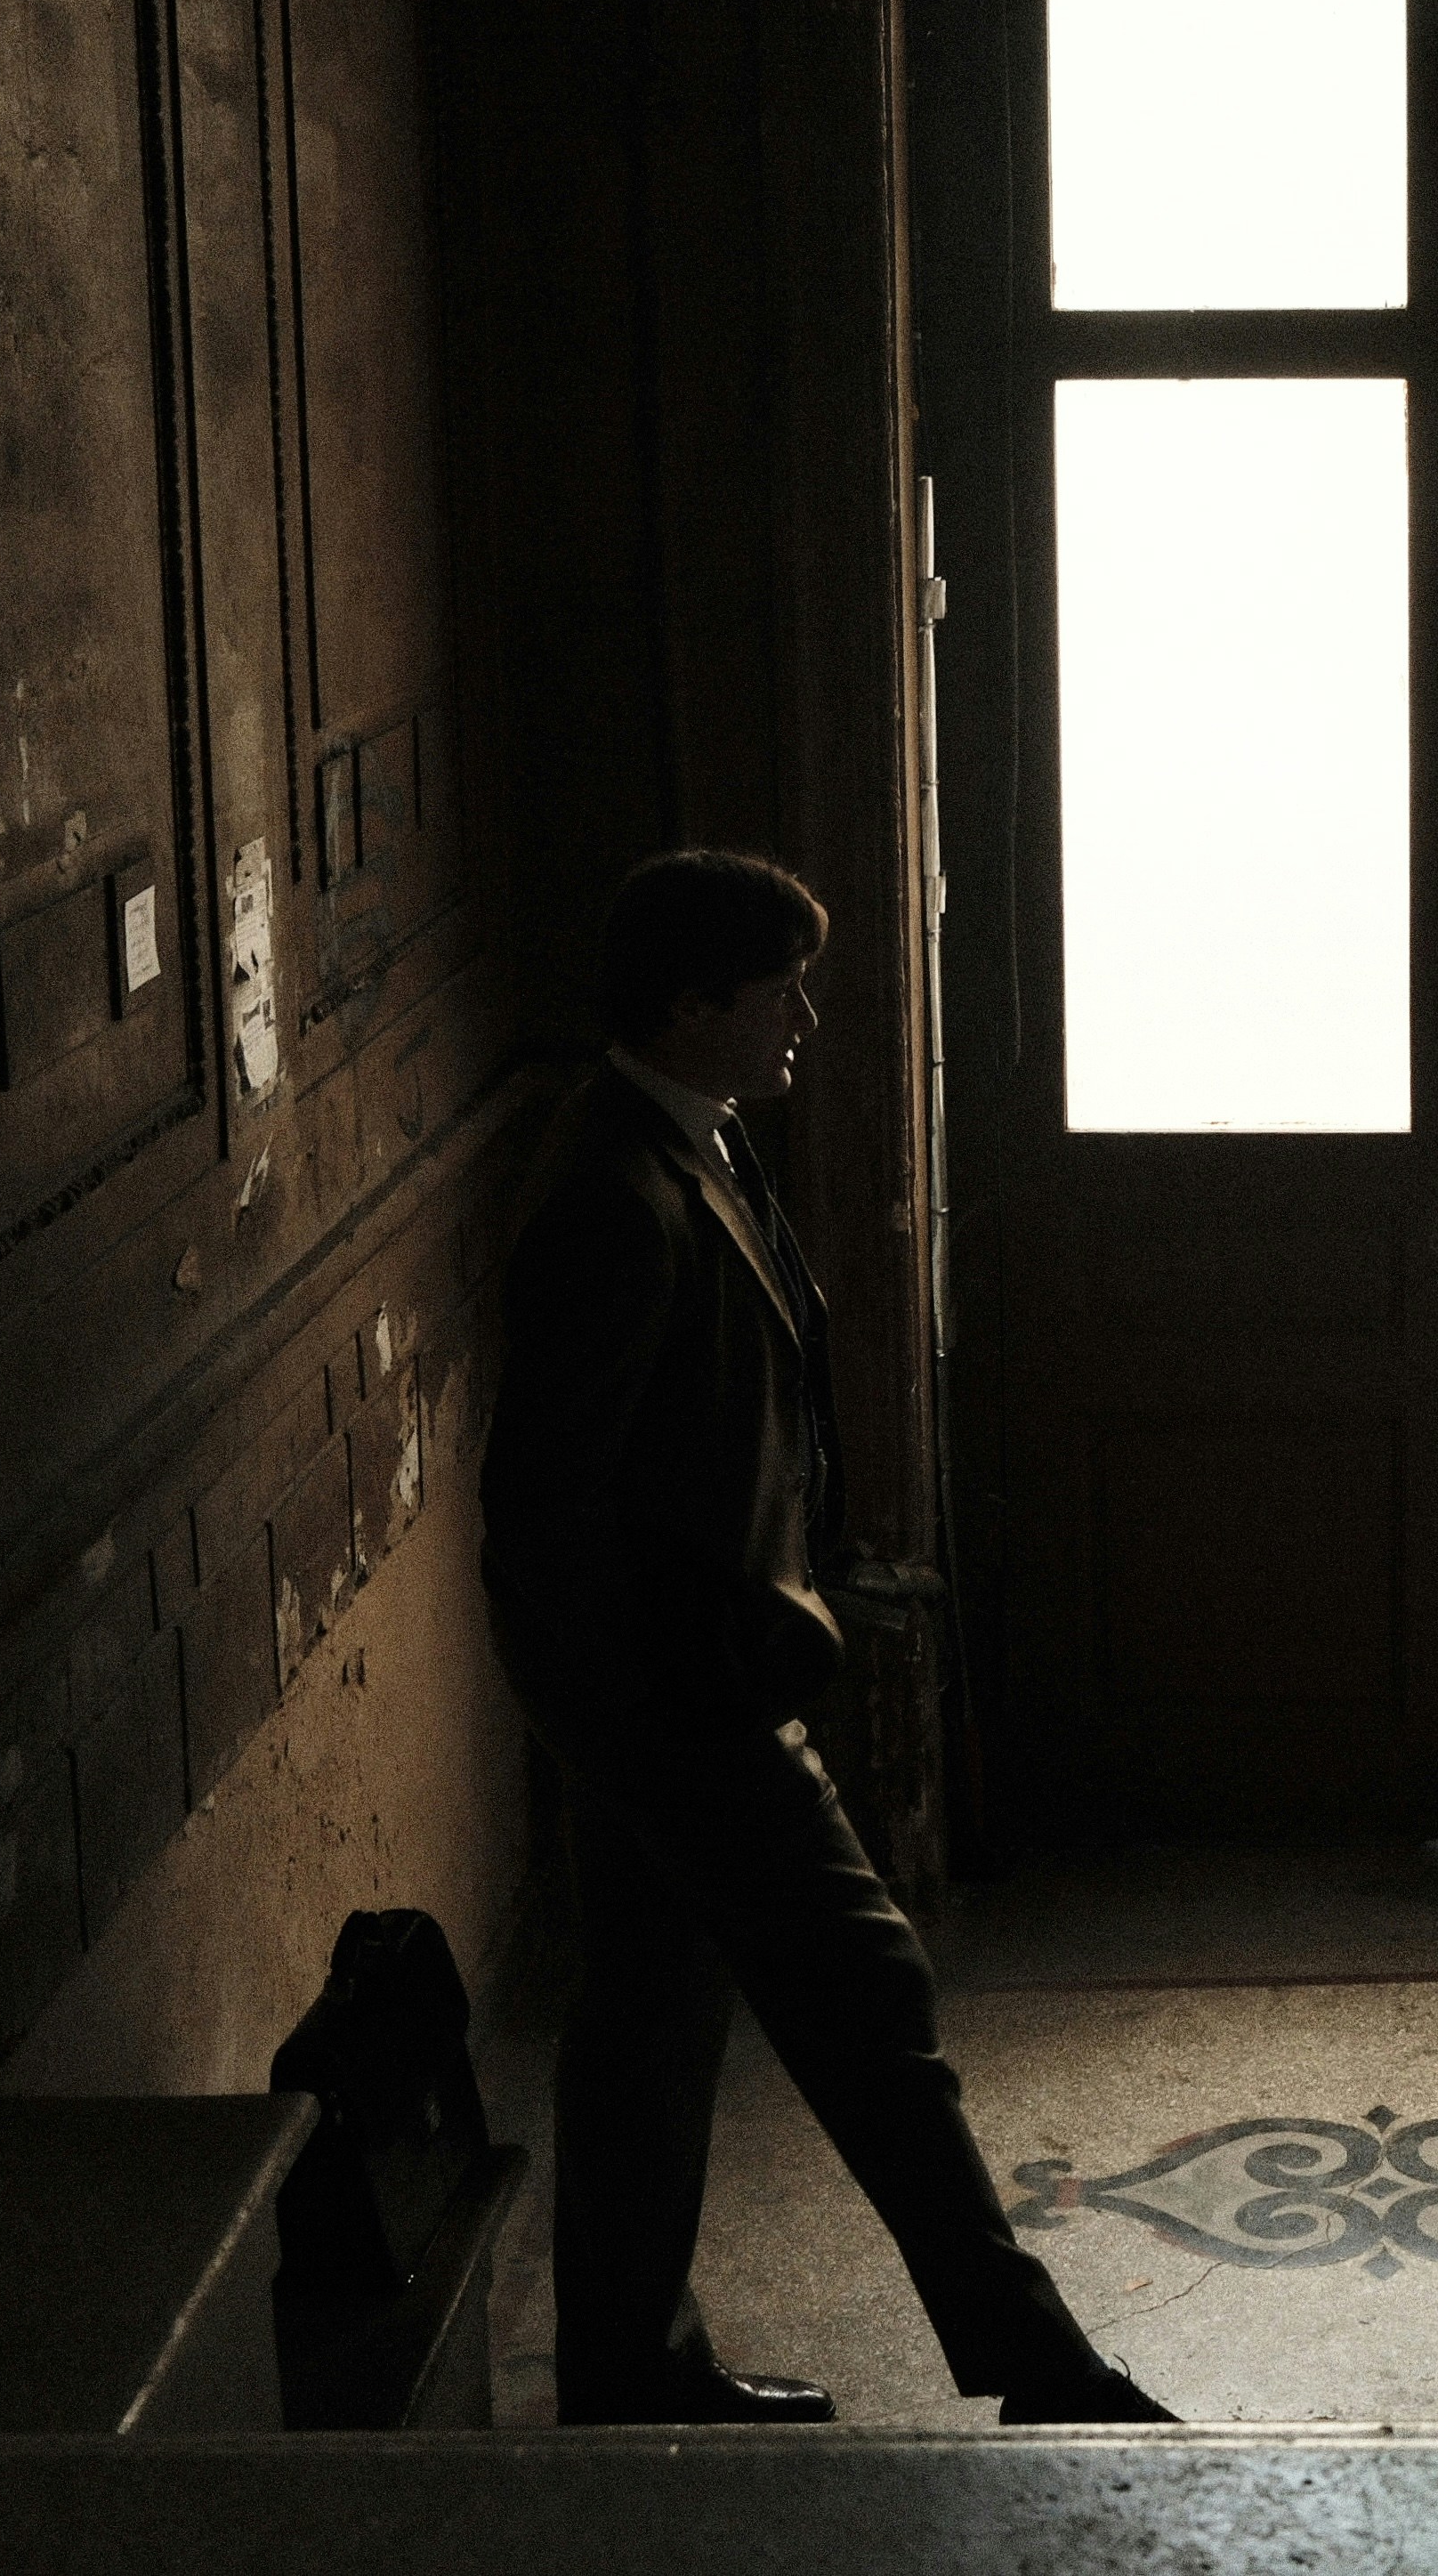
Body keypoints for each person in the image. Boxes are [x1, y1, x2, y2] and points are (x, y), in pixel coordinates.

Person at [483, 848, 1175, 2427]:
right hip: (684, 1720)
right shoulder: (611, 1197)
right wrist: (636, 1741)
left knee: (649, 2029)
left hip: (695, 1693)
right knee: (870, 2005)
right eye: (779, 984)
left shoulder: (695, 1144)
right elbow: (540, 1528)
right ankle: (1040, 2370)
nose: (807, 1013)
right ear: (689, 999)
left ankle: (628, 2374)